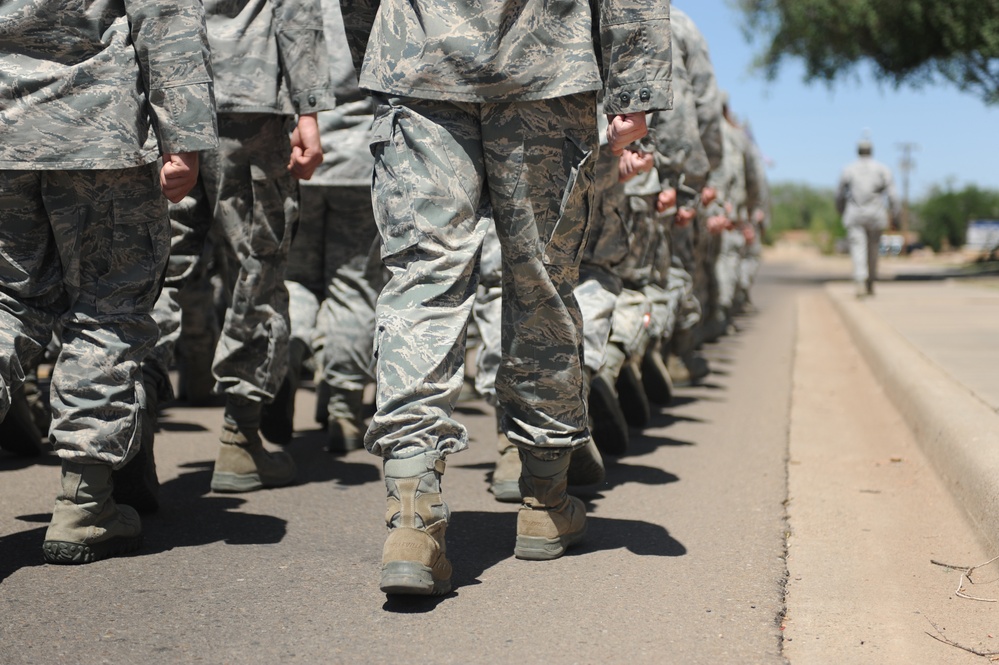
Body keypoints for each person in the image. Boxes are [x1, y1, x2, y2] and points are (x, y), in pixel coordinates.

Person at [341, 0, 672, 595]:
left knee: (423, 279)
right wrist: (635, 86)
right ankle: (544, 499)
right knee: (540, 281)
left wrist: (382, 40)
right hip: (546, 62)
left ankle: (412, 517)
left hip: (419, 56)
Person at [0, 0, 218, 563]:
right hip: (100, 129)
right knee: (108, 304)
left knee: (7, 302)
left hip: (4, 133)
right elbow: (167, 19)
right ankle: (85, 501)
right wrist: (184, 137)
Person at [145, 0, 334, 495]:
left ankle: (129, 433)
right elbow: (296, 14)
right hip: (248, 103)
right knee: (257, 265)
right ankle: (240, 434)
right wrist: (308, 111)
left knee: (155, 268)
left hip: (166, 103)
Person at [836, 139, 900, 297]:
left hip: (855, 214)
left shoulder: (849, 169)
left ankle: (861, 280)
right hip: (876, 215)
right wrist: (895, 214)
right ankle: (870, 281)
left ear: (858, 151)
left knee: (858, 248)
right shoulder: (882, 169)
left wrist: (841, 211)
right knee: (873, 250)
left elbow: (839, 195)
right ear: (872, 151)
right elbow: (893, 196)